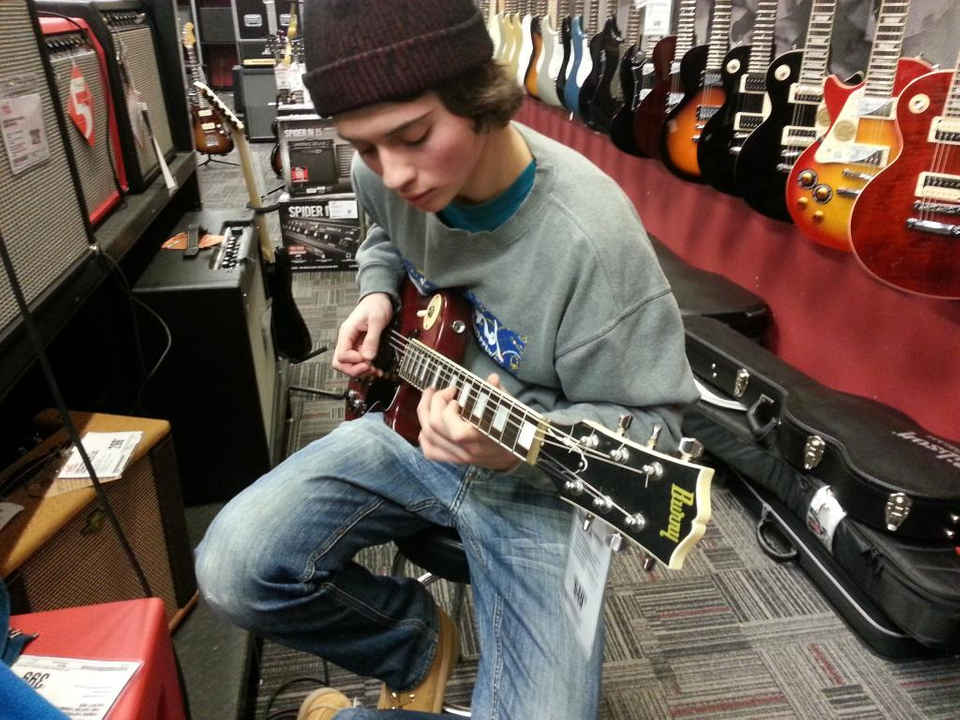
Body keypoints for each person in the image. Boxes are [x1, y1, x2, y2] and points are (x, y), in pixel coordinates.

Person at [194, 1, 699, 718]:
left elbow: (657, 434)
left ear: (479, 97)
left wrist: (517, 448)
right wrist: (376, 295)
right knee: (231, 571)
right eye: (366, 148)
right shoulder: (381, 175)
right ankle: (411, 641)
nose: (394, 173)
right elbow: (383, 236)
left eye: (414, 137)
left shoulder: (594, 240)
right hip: (406, 430)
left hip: (537, 480)